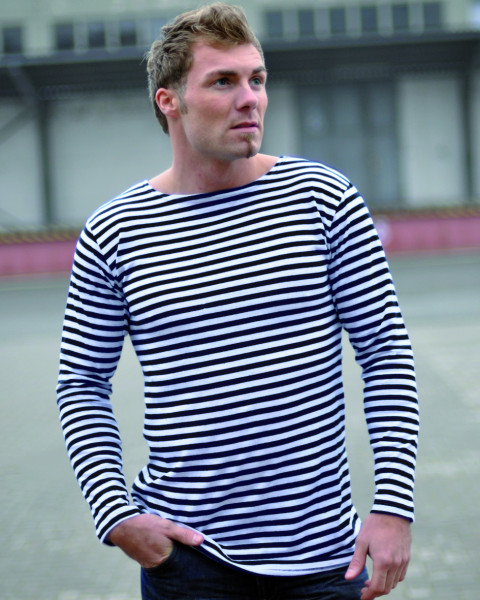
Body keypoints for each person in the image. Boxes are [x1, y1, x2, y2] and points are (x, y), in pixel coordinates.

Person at [56, 3, 420, 600]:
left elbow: (386, 355)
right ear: (169, 101)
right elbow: (81, 382)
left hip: (325, 561)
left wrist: (393, 507)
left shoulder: (324, 199)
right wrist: (116, 514)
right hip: (189, 563)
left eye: (257, 79)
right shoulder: (114, 231)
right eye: (223, 82)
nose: (250, 99)